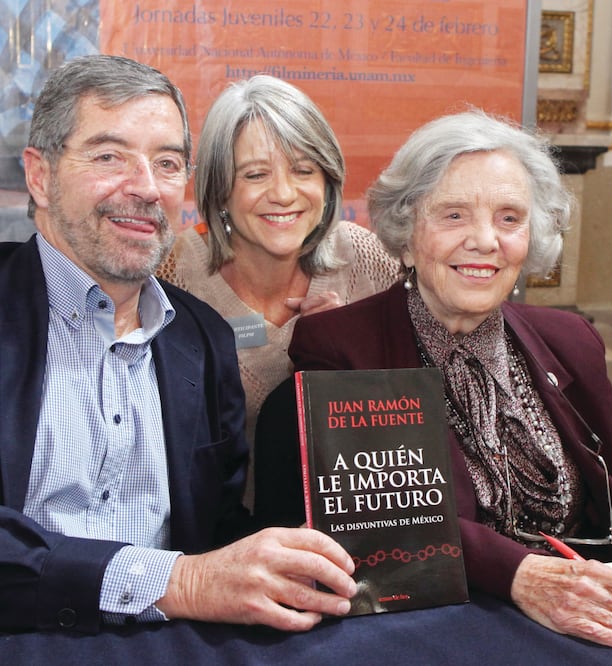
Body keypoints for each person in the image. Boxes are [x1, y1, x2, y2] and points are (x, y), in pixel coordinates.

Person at [256, 109, 612, 649]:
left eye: (509, 218)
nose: (485, 240)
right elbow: (381, 524)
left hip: (590, 602)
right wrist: (523, 575)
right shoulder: (344, 348)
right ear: (406, 232)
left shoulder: (570, 339)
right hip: (448, 623)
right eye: (453, 215)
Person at [0, 54, 356, 634]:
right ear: (39, 176)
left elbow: (216, 530)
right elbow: (198, 575)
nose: (145, 188)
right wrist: (181, 583)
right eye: (109, 156)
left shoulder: (202, 340)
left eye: (166, 163)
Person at [157, 75, 399, 507]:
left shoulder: (369, 260)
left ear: (327, 181)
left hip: (354, 528)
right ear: (220, 190)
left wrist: (347, 350)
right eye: (256, 174)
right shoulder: (171, 275)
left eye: (303, 170)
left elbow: (414, 421)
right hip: (218, 533)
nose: (284, 194)